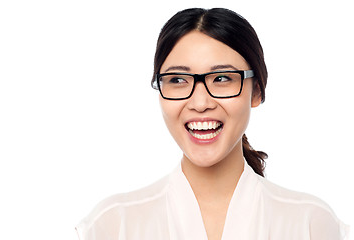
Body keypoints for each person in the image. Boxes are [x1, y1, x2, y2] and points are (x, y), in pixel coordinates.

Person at [76, 8, 349, 240]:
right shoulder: (112, 226)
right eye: (177, 80)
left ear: (256, 92)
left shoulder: (310, 224)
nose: (199, 102)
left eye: (221, 79)